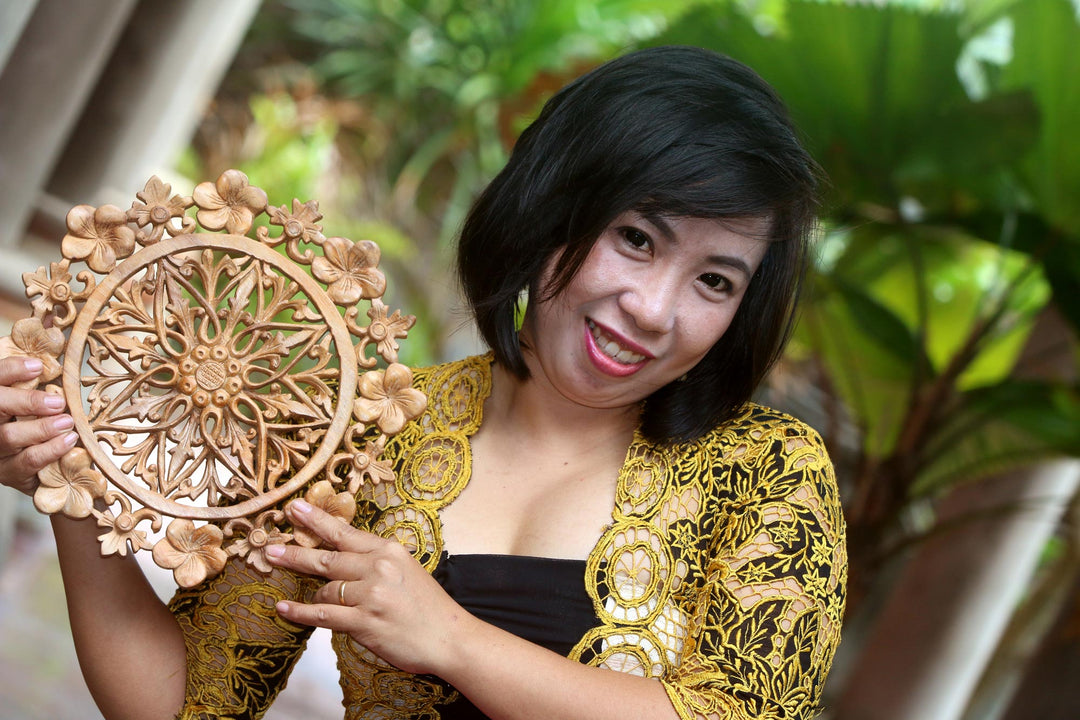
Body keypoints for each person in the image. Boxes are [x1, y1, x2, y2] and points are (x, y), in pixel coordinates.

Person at [0, 45, 845, 719]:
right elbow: (188, 705)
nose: (655, 309)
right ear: (553, 209)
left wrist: (452, 639)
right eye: (636, 238)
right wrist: (72, 487)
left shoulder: (770, 473)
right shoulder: (368, 430)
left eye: (716, 281)